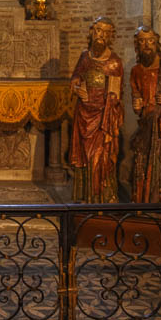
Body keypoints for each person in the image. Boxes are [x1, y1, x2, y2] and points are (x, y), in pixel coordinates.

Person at [69, 16, 124, 203]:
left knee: (100, 157)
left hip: (102, 118)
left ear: (111, 36)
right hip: (84, 114)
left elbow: (116, 94)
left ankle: (102, 197)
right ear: (92, 32)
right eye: (99, 30)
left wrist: (109, 102)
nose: (101, 35)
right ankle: (84, 196)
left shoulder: (114, 62)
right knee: (84, 156)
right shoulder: (85, 57)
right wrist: (77, 87)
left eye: (106, 32)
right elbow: (76, 77)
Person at [130, 26, 161, 203]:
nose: (146, 45)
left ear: (156, 43)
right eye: (142, 41)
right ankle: (143, 203)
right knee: (142, 164)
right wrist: (137, 106)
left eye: (150, 40)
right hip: (146, 126)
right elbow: (136, 100)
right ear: (137, 45)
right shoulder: (136, 71)